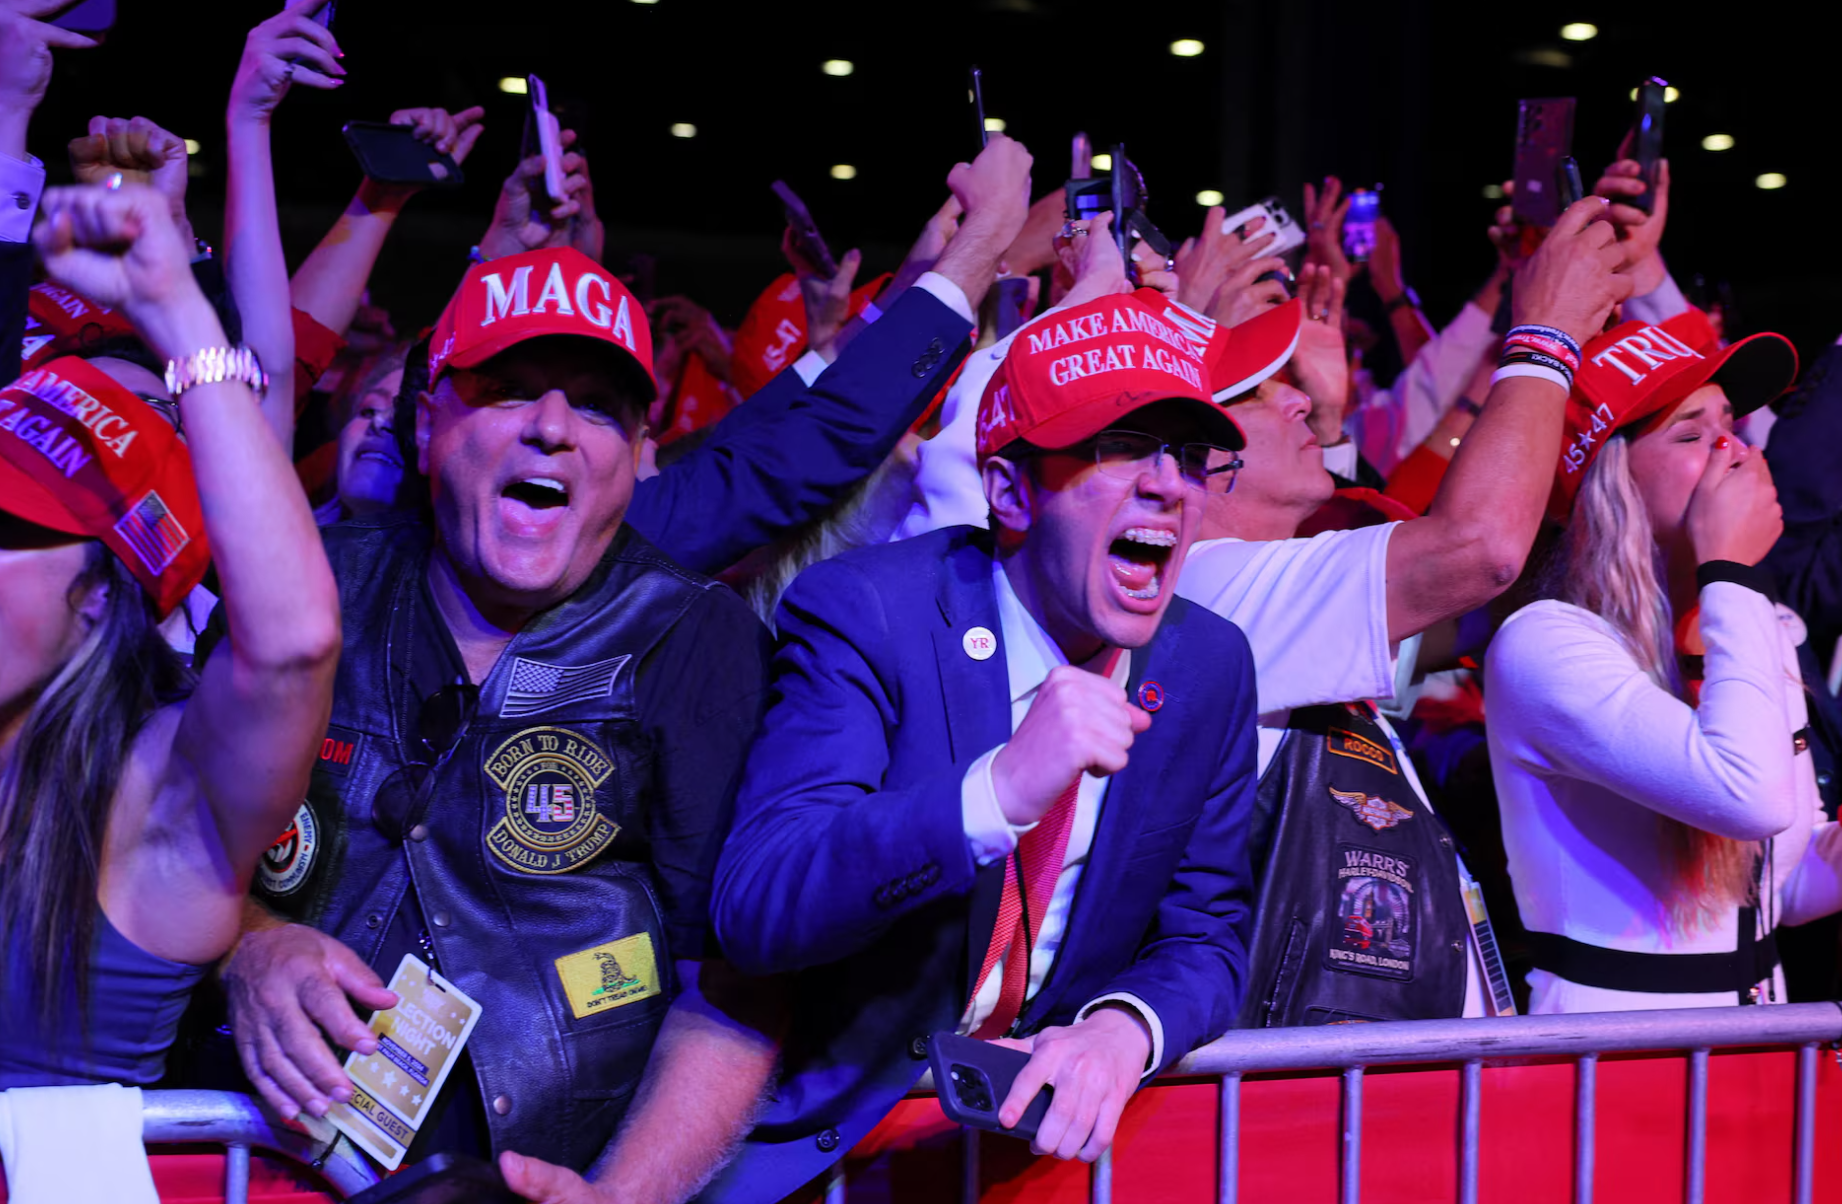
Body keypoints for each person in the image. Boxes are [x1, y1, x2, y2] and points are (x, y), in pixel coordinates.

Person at [208, 243, 779, 1203]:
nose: (553, 428)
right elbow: (141, 840)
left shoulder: (696, 639)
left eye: (598, 405)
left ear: (641, 455)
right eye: (509, 390)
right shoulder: (309, 585)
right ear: (429, 420)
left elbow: (730, 991)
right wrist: (249, 942)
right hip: (250, 1165)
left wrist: (619, 1199)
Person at [705, 284, 1262, 1200]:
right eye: (1117, 448)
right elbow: (759, 901)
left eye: (1193, 456)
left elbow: (1207, 933)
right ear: (1008, 490)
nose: (1167, 484)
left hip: (1034, 1155)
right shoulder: (870, 612)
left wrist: (1126, 1027)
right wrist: (993, 795)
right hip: (837, 1146)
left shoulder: (1209, 664)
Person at [1172, 197, 1634, 1026]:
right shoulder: (1211, 594)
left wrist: (1316, 407)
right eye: (1262, 396)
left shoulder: (1260, 586)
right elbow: (1478, 547)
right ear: (1200, 462)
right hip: (1323, 1090)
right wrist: (1545, 335)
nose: (1300, 406)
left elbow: (1472, 585)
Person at [0, 183, 340, 1086]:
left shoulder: (153, 800)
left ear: (99, 605)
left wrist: (175, 311)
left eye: (11, 529)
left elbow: (292, 649)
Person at [1485, 308, 1842, 1012]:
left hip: (1758, 1047)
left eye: (1730, 423)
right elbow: (1749, 795)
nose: (1732, 448)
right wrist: (1730, 571)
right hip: (1613, 1064)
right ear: (1611, 484)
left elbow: (1773, 893)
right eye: (1690, 433)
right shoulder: (1545, 644)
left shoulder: (1749, 623)